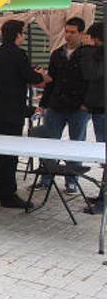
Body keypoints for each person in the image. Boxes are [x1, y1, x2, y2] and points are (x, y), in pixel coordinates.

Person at [0, 20, 48, 208]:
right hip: (10, 111)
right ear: (17, 35)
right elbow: (28, 77)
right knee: (9, 154)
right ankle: (8, 195)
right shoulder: (18, 53)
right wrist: (42, 76)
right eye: (23, 33)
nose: (24, 37)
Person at [38, 17, 89, 193]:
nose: (68, 35)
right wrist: (43, 104)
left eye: (72, 32)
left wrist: (86, 104)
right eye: (66, 31)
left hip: (78, 107)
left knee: (76, 144)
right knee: (49, 143)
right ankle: (46, 178)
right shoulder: (57, 54)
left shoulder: (87, 54)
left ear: (81, 33)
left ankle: (72, 180)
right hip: (56, 105)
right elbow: (50, 82)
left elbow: (91, 82)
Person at [81, 22, 105, 214]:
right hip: (99, 108)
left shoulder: (99, 53)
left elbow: (92, 73)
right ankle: (102, 196)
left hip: (103, 109)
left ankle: (103, 201)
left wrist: (87, 52)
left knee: (104, 155)